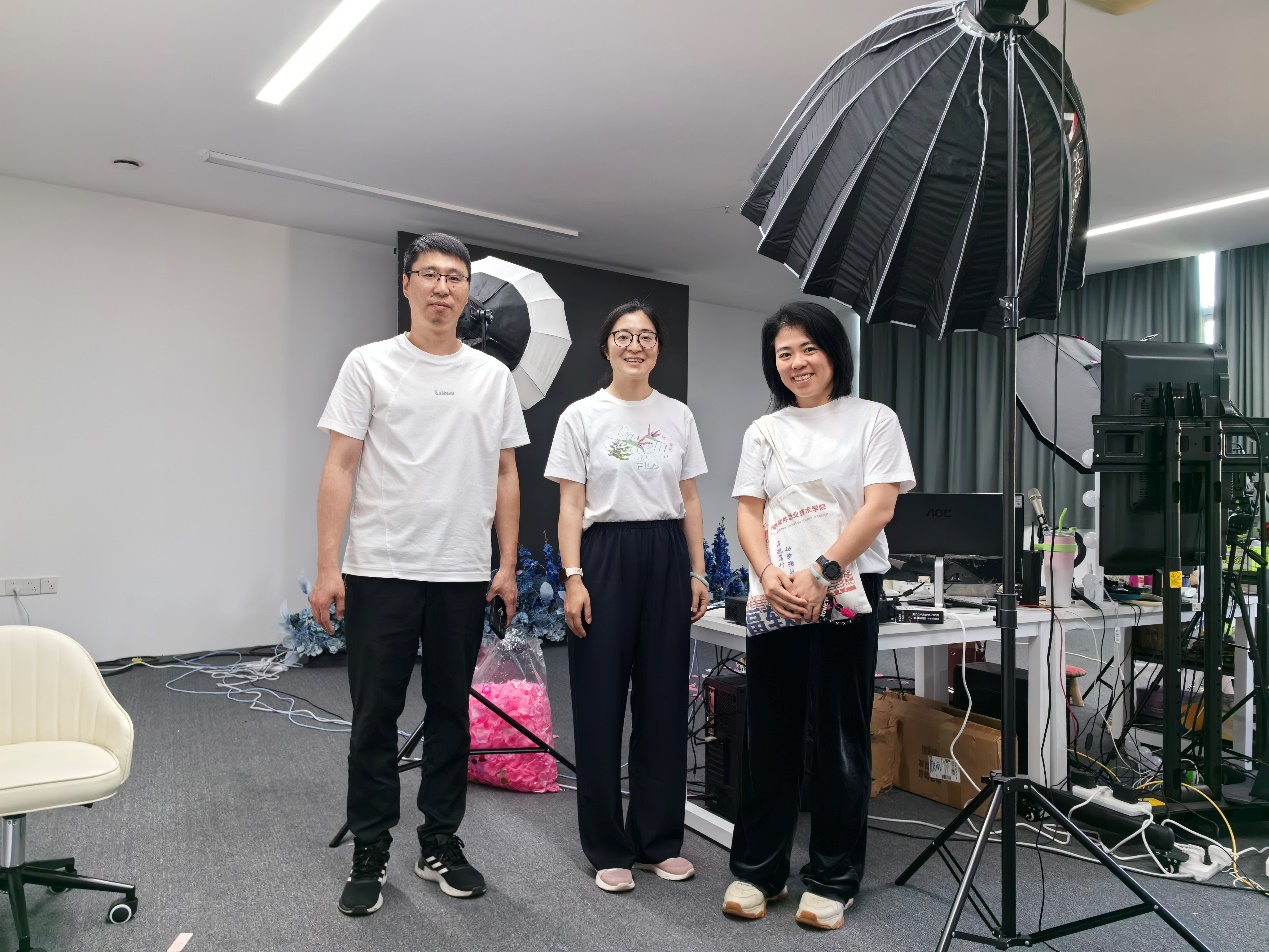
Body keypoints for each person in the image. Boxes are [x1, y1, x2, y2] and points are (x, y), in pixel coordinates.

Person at [310, 232, 529, 917]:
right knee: (375, 715)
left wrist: (506, 565)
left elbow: (506, 473)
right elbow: (340, 465)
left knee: (449, 715)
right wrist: (327, 566)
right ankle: (370, 846)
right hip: (381, 567)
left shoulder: (491, 377)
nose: (442, 287)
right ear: (406, 285)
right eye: (429, 274)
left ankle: (438, 842)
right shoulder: (369, 364)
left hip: (460, 572)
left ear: (467, 292)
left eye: (455, 277)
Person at [722, 301, 915, 930]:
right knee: (769, 729)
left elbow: (879, 506)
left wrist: (823, 571)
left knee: (839, 734)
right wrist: (768, 574)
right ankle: (759, 871)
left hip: (848, 584)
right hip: (778, 589)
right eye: (784, 352)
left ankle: (833, 876)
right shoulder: (764, 430)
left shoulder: (873, 420)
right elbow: (749, 510)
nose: (797, 362)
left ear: (834, 352)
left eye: (809, 348)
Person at [545, 301, 711, 893]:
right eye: (623, 335)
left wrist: (697, 571)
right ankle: (606, 846)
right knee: (599, 703)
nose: (634, 345)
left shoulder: (678, 416)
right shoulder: (581, 416)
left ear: (658, 347)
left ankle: (657, 841)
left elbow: (690, 499)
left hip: (665, 553)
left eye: (645, 336)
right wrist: (573, 576)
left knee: (664, 703)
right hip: (604, 556)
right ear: (607, 346)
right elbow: (570, 503)